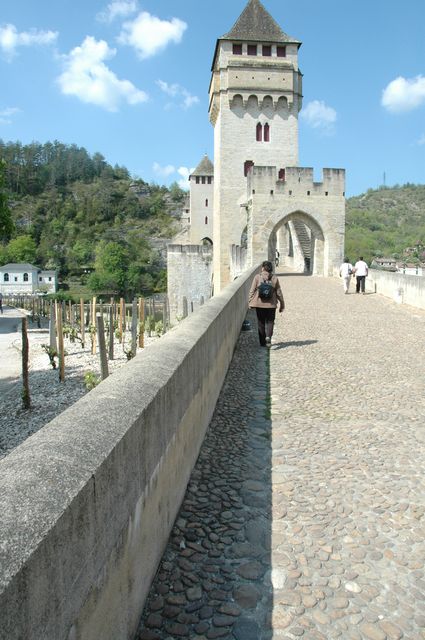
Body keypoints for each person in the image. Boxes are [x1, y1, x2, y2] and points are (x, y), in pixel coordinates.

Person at [248, 260, 284, 347]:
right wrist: (282, 304)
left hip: (259, 304)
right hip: (271, 305)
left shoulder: (257, 277)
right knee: (270, 322)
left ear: (263, 268)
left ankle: (262, 343)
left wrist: (250, 302)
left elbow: (252, 291)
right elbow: (279, 292)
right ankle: (268, 337)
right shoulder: (274, 278)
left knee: (261, 323)